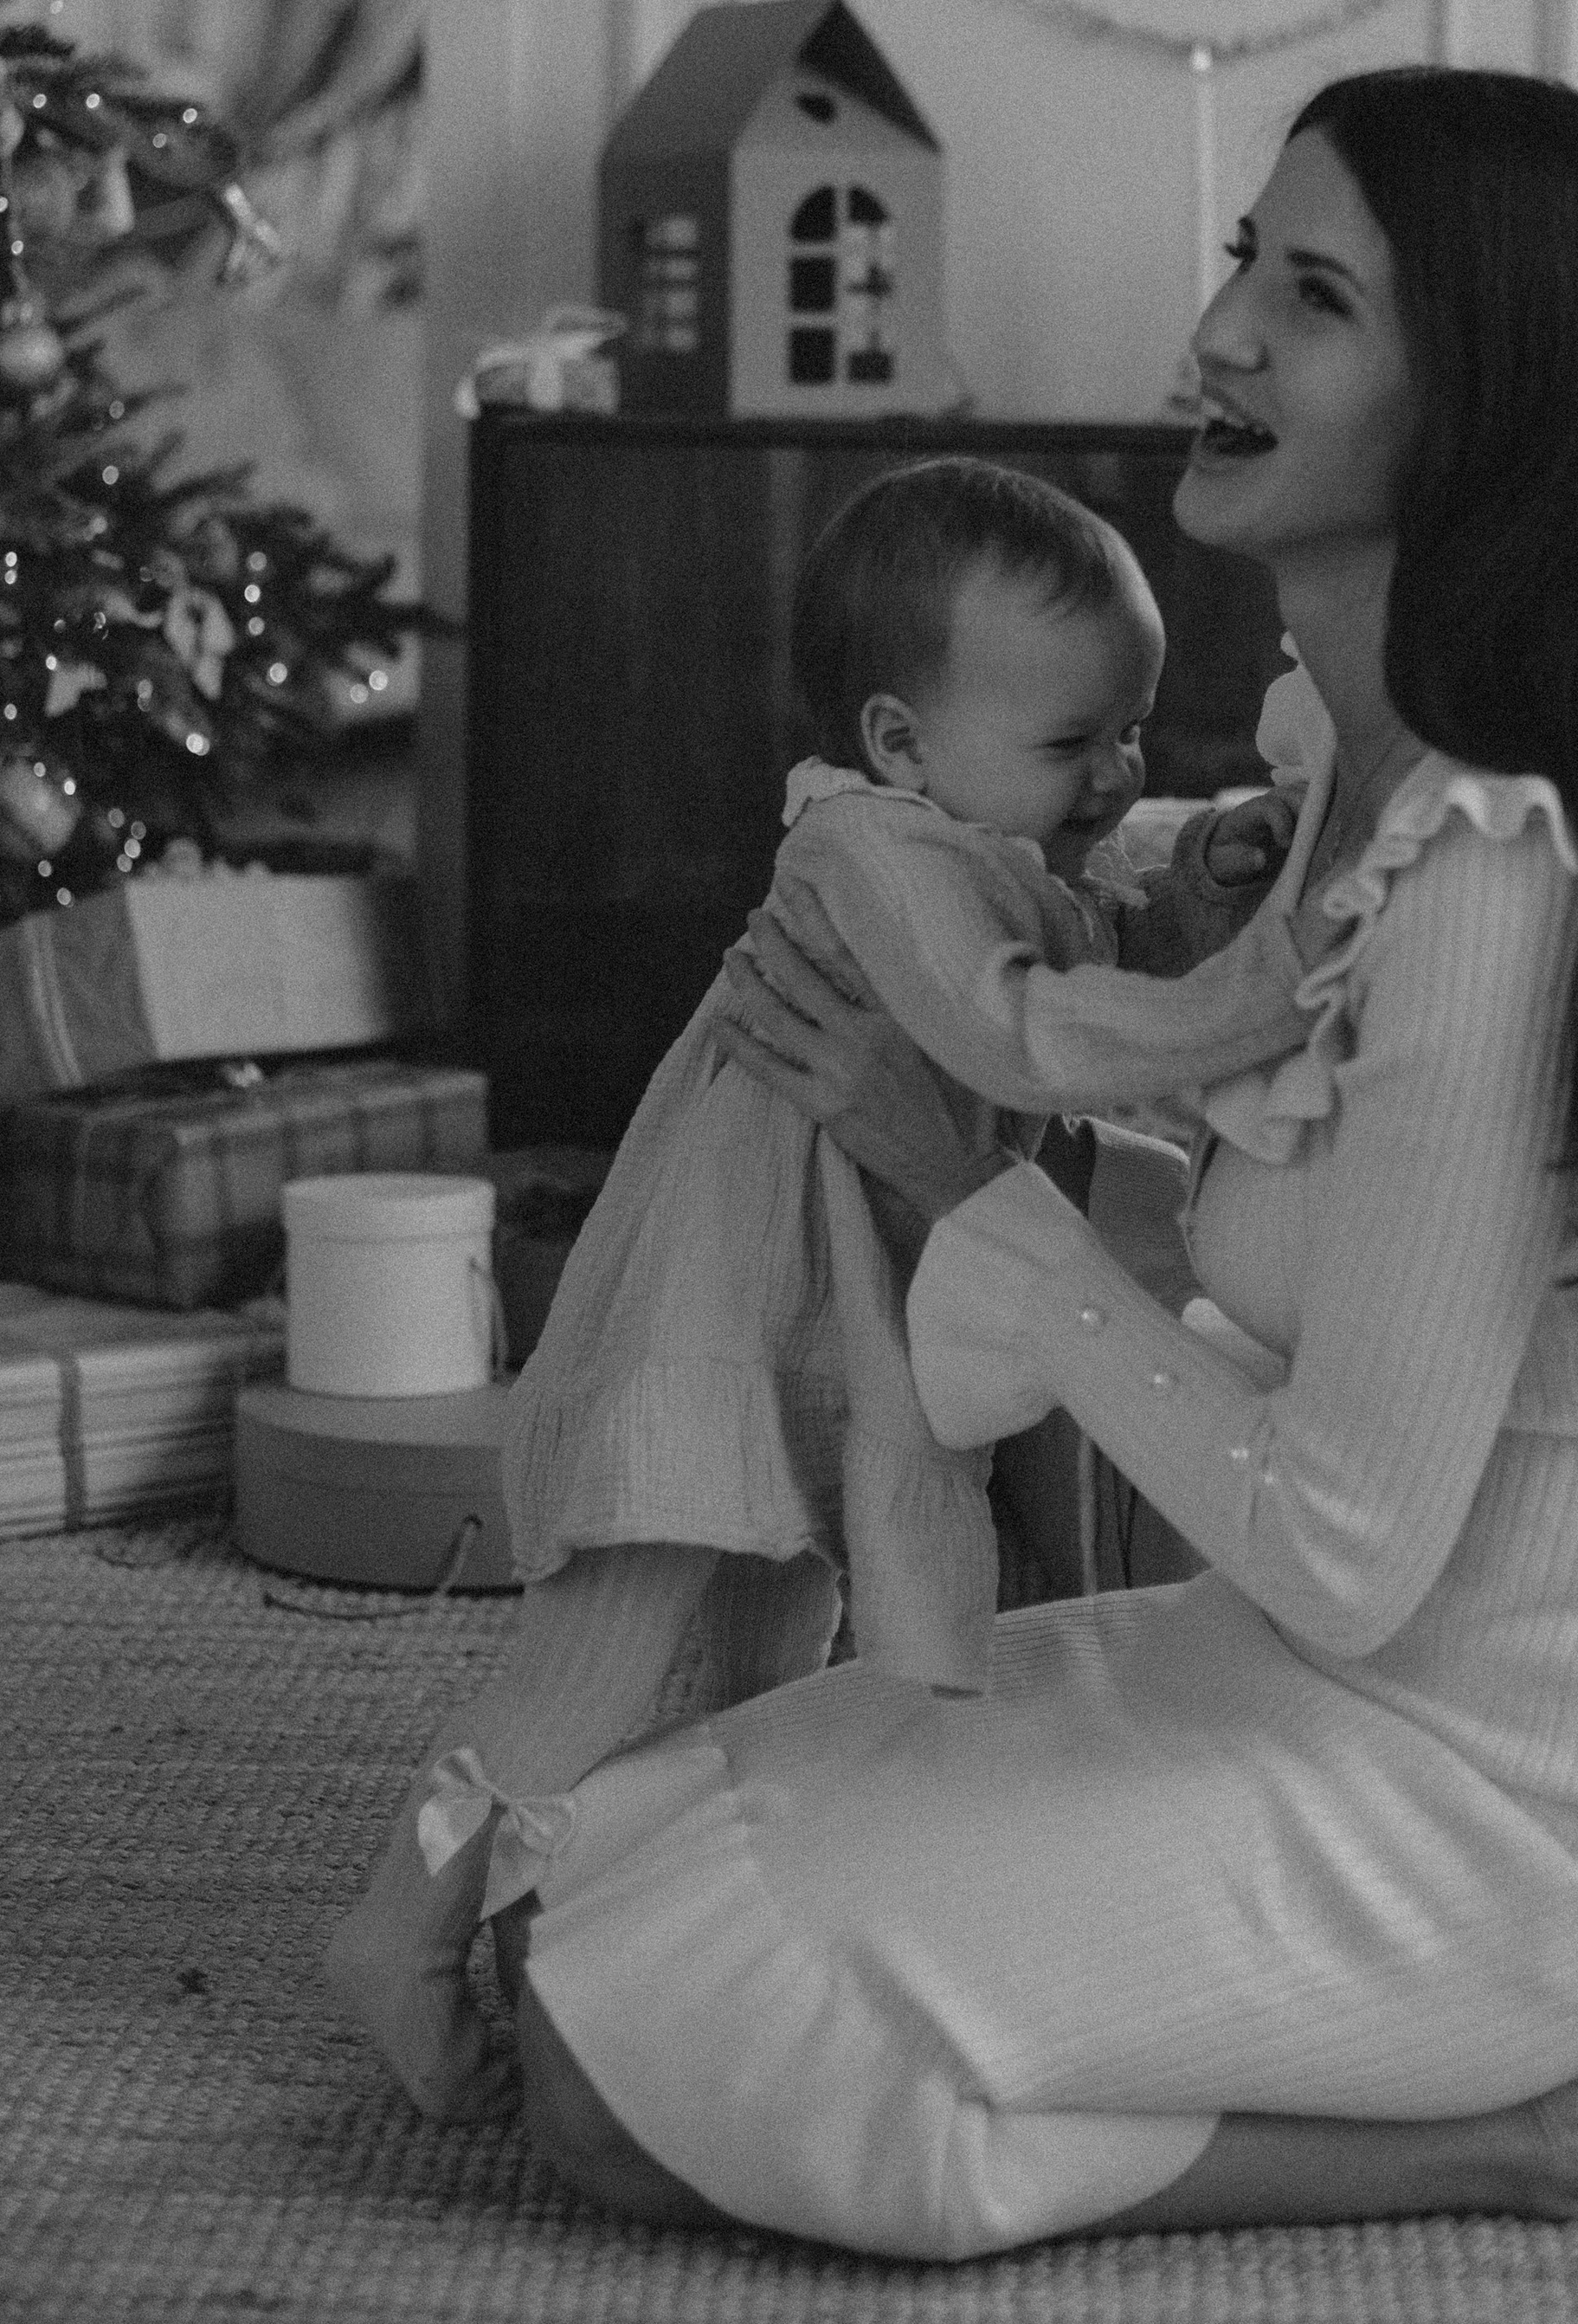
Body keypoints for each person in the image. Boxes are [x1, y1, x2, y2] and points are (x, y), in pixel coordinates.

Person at [480, 67, 1578, 2257]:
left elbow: (1346, 1546)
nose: (1219, 340)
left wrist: (950, 1178)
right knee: (585, 1896)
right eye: (1237, 265)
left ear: (1487, 406)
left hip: (1542, 1793)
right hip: (1339, 1684)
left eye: (1315, 294)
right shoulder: (1325, 772)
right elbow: (1261, 1136)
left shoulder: (1486, 886)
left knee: (627, 2073)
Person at [327, 455, 1314, 2121]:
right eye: (1074, 746)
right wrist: (1261, 995)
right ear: (896, 744)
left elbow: (1085, 922)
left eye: (1133, 729)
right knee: (593, 1674)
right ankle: (403, 1921)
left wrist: (1201, 872)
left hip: (826, 1355)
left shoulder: (973, 835)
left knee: (780, 1696)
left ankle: (653, 1945)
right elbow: (1014, 1027)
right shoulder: (866, 852)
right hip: (711, 1339)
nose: (1119, 772)